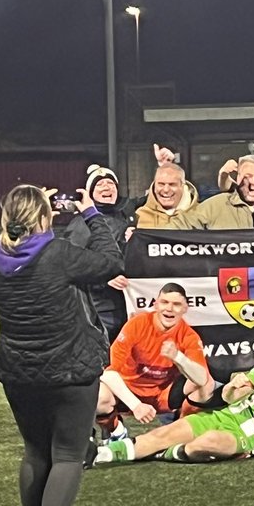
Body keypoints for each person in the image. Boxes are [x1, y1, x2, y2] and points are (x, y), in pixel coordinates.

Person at [0, 183, 123, 506]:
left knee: (35, 451)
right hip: (69, 369)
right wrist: (91, 214)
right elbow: (111, 261)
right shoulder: (58, 253)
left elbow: (26, 243)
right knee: (68, 454)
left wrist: (37, 208)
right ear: (45, 217)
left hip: (18, 371)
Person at [92, 327, 254, 465]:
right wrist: (233, 387)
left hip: (248, 440)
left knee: (203, 444)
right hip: (225, 417)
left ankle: (164, 451)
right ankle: (97, 455)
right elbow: (228, 399)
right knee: (161, 433)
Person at [94, 283, 215, 434]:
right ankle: (115, 431)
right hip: (129, 391)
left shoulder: (189, 336)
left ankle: (181, 431)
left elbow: (202, 379)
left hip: (162, 395)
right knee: (99, 394)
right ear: (156, 305)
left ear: (185, 309)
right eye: (164, 302)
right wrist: (136, 405)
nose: (169, 309)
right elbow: (107, 372)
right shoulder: (137, 324)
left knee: (207, 384)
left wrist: (178, 357)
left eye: (176, 304)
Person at [64, 163, 134, 342]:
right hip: (100, 308)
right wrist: (105, 278)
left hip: (130, 304)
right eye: (100, 184)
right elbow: (73, 268)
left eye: (111, 183)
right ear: (90, 193)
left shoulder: (129, 215)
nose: (107, 187)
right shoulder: (80, 225)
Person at [136, 163, 199, 228]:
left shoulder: (200, 215)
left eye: (172, 184)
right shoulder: (139, 216)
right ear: (154, 186)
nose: (166, 190)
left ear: (183, 186)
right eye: (161, 184)